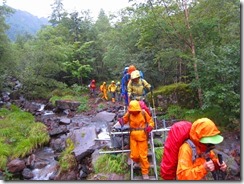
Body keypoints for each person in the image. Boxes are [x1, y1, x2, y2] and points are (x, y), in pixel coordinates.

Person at [118, 100, 154, 180]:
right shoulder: (129, 113)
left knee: (143, 156)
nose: (134, 112)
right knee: (134, 155)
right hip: (133, 137)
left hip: (142, 137)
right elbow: (124, 119)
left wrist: (150, 127)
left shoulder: (143, 113)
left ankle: (145, 173)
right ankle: (138, 162)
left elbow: (151, 121)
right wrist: (121, 121)